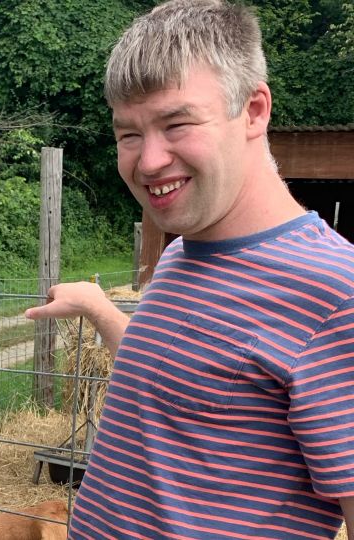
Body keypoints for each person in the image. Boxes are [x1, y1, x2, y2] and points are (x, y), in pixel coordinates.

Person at [25, 0, 354, 538]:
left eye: (177, 123)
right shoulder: (185, 252)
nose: (148, 160)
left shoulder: (335, 294)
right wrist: (97, 307)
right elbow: (185, 382)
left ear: (253, 111)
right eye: (128, 133)